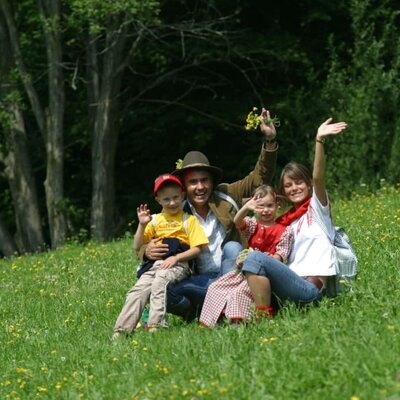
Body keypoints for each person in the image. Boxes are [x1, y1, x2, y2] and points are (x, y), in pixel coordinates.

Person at [137, 108, 279, 320]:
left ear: (212, 181)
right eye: (193, 182)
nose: (200, 186)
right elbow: (145, 244)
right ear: (184, 187)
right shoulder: (175, 211)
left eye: (204, 180)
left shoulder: (227, 194)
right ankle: (195, 311)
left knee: (232, 247)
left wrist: (269, 140)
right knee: (160, 288)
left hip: (230, 276)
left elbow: (259, 178)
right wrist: (147, 252)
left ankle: (221, 305)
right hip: (198, 279)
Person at [241, 117, 348, 311]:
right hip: (289, 284)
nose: (294, 188)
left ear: (308, 184)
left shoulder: (317, 209)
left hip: (309, 289)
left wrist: (319, 141)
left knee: (254, 258)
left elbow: (318, 177)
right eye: (288, 185)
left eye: (298, 182)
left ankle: (263, 315)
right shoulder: (285, 223)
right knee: (251, 261)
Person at [112, 174, 208, 338]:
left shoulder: (188, 220)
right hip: (154, 265)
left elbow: (198, 248)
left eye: (176, 197)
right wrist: (142, 225)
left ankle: (156, 325)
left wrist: (176, 258)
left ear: (183, 195)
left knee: (160, 281)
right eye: (166, 199)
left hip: (178, 265)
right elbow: (137, 247)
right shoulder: (154, 220)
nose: (172, 203)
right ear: (158, 200)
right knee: (138, 290)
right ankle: (122, 330)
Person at [199, 184, 294, 328]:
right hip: (244, 269)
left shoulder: (284, 231)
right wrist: (245, 208)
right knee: (216, 286)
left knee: (239, 292)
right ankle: (213, 321)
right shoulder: (252, 224)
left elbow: (279, 257)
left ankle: (238, 322)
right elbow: (237, 222)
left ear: (277, 206)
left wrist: (259, 259)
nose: (266, 210)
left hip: (263, 275)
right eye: (261, 206)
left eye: (269, 206)